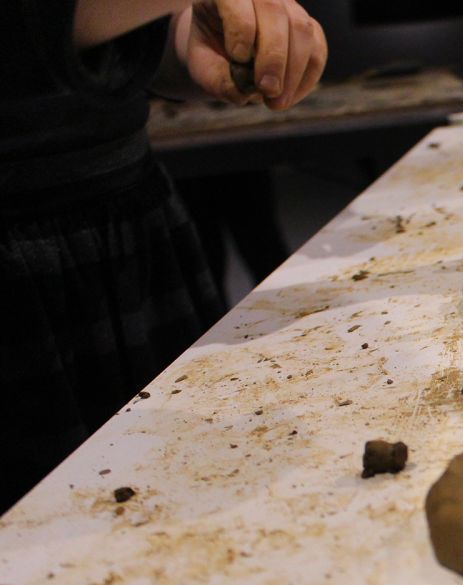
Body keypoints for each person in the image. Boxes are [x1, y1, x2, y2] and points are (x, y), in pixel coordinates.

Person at [0, 0, 327, 511]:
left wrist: (185, 39)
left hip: (130, 225)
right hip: (18, 267)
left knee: (171, 499)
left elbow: (95, 42)